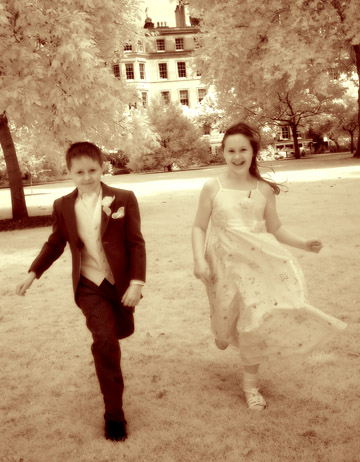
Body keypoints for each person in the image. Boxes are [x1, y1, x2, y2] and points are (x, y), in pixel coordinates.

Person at [191, 122, 346, 411]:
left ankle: (251, 387)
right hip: (223, 264)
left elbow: (275, 228)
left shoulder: (263, 189)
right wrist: (199, 259)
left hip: (258, 263)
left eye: (243, 150)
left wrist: (303, 243)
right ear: (222, 153)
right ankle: (223, 332)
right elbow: (199, 226)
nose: (237, 156)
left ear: (253, 152)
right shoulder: (213, 187)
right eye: (230, 151)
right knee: (225, 324)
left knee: (254, 318)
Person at [16, 142, 146, 441]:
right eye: (79, 172)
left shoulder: (124, 198)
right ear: (69, 173)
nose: (87, 177)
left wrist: (137, 283)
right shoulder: (63, 206)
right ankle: (114, 414)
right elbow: (55, 243)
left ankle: (118, 328)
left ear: (103, 168)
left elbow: (135, 243)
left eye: (93, 170)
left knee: (121, 330)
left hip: (120, 282)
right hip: (88, 284)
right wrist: (33, 273)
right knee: (104, 340)